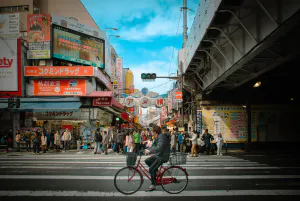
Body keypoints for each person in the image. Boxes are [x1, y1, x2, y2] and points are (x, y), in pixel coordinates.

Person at [144, 126, 171, 192]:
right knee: (147, 160)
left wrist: (150, 151)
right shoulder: (157, 137)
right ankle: (155, 171)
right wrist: (147, 149)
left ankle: (153, 185)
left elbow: (159, 148)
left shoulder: (161, 137)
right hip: (158, 155)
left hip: (163, 156)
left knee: (151, 169)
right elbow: (154, 146)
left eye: (153, 131)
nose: (152, 133)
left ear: (155, 132)